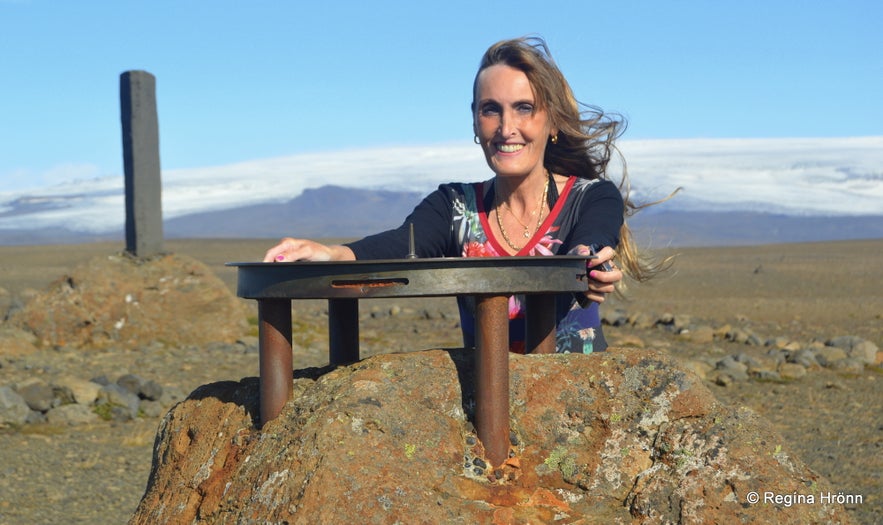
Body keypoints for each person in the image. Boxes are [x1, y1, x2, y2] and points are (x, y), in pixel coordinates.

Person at [264, 36, 663, 354]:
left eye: (524, 108)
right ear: (475, 120)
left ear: (552, 121)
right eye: (491, 110)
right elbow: (400, 245)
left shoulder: (592, 197)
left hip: (575, 408)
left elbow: (592, 242)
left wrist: (587, 268)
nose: (507, 127)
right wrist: (334, 254)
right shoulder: (454, 206)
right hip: (486, 402)